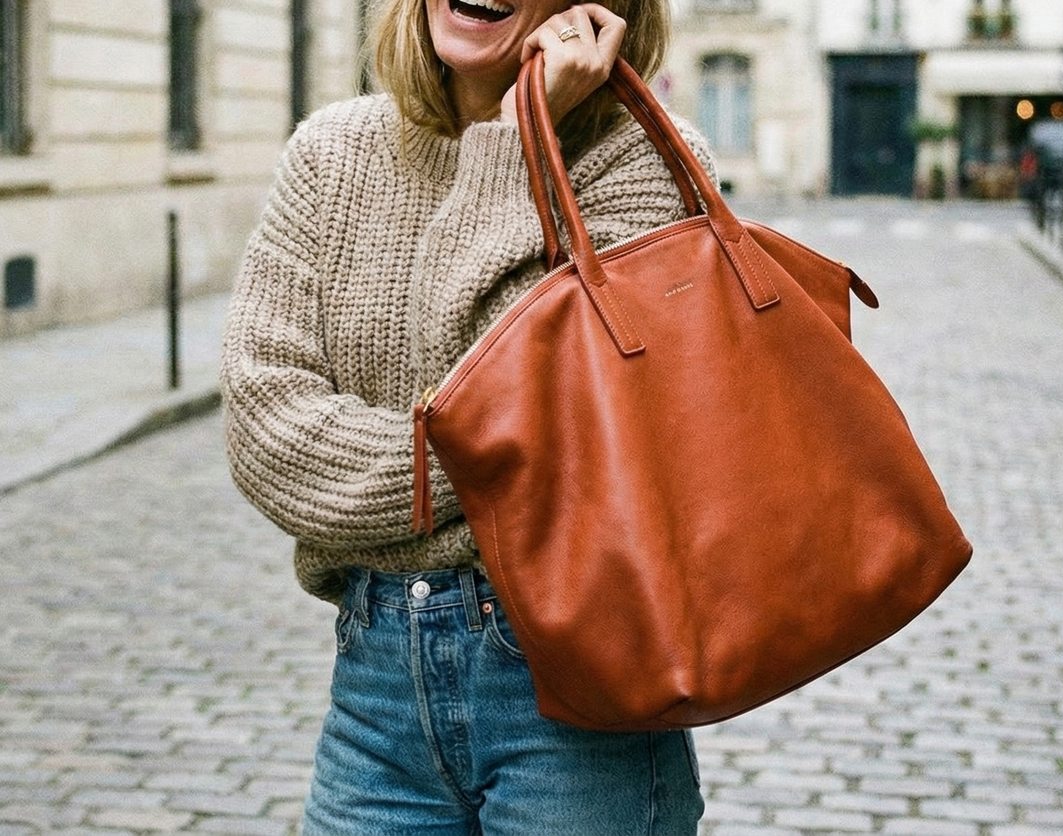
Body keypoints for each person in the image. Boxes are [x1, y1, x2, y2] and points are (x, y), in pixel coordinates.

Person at [220, 0, 714, 833]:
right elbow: (268, 433)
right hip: (375, 688)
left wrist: (509, 144)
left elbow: (543, 406)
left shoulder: (640, 162)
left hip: (578, 692)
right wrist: (506, 453)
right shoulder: (331, 156)